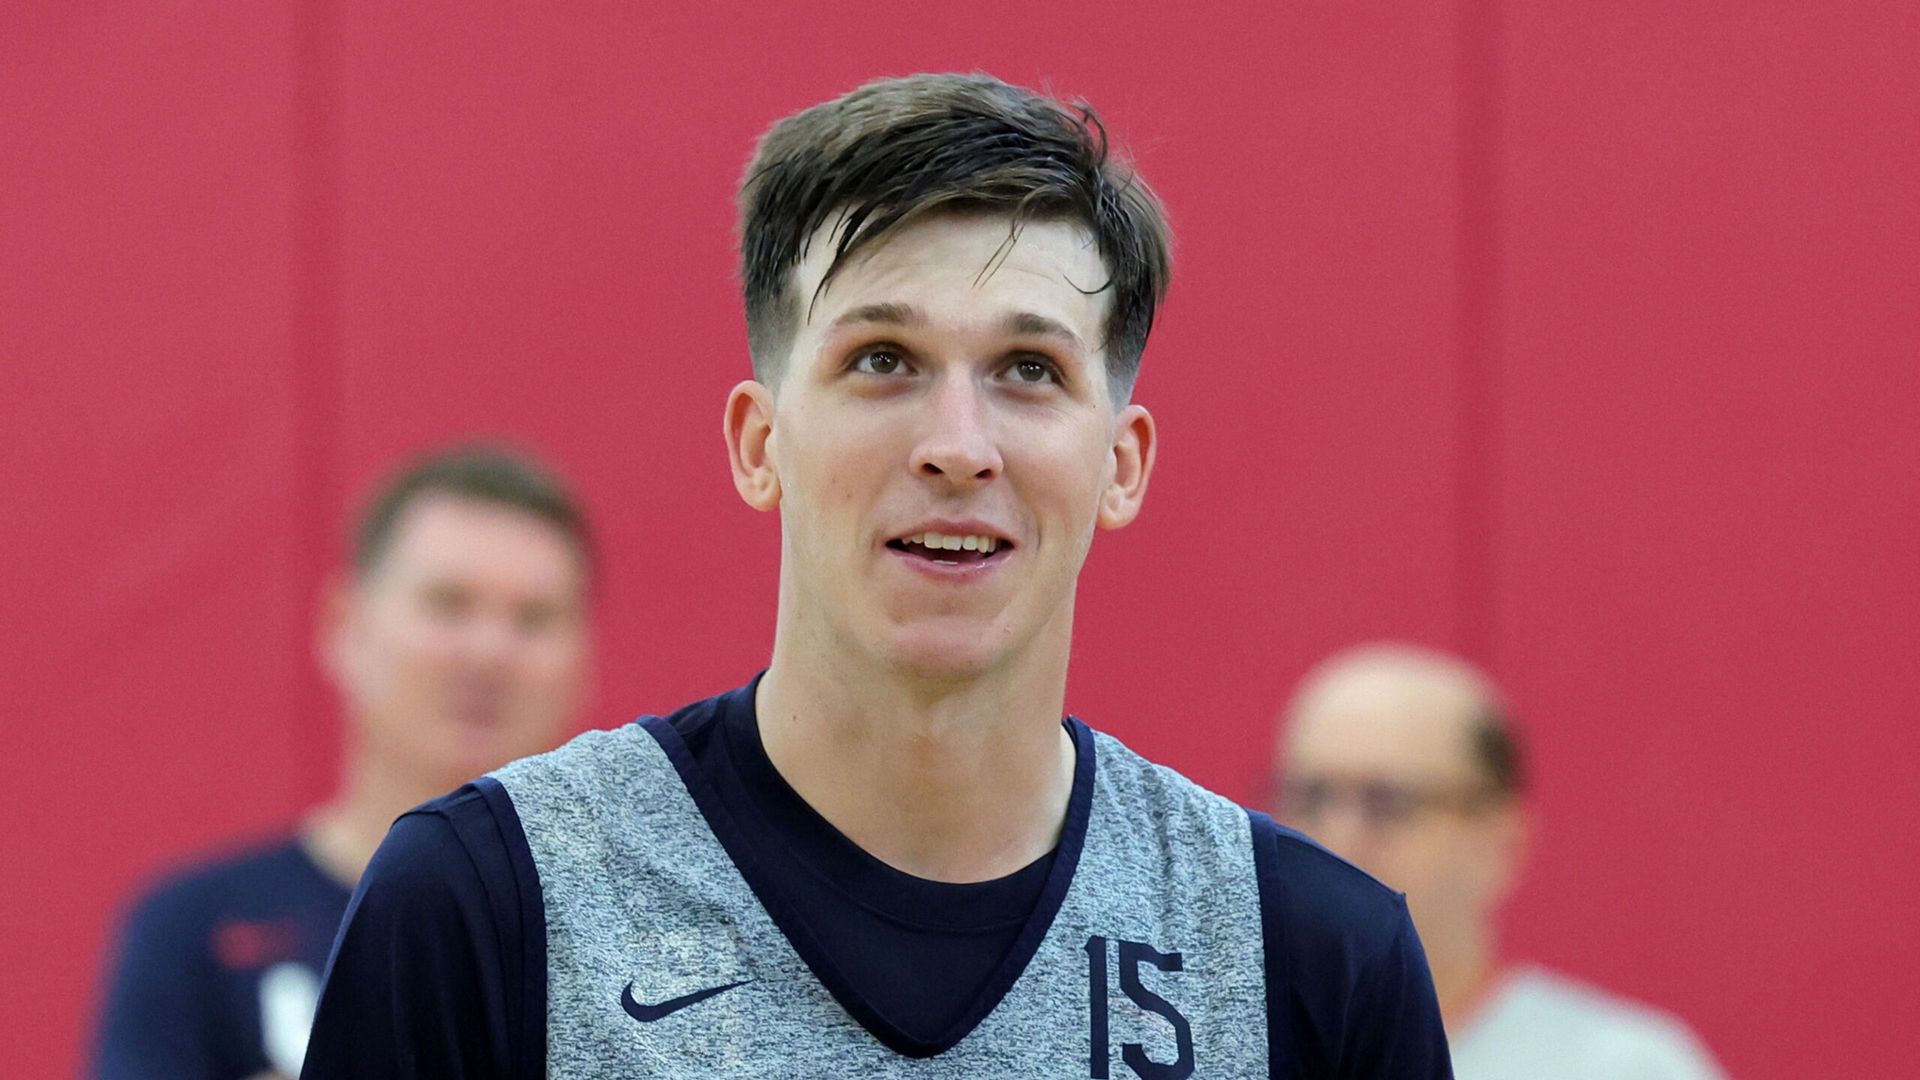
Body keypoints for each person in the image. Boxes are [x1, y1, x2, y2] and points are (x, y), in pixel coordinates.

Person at [302, 73, 1451, 1079]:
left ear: (1122, 463)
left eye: (1029, 369)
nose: (957, 445)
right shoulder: (487, 903)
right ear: (760, 444)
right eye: (883, 359)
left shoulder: (1312, 957)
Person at [89, 445, 595, 1080]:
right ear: (345, 625)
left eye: (534, 619)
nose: (490, 652)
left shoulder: (648, 932)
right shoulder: (194, 930)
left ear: (583, 655)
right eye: (448, 605)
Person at [1275, 643, 1727, 1080]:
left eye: (1389, 802)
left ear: (1499, 842)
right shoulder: (1239, 1053)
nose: (1336, 838)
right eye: (1310, 797)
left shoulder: (1625, 1068)